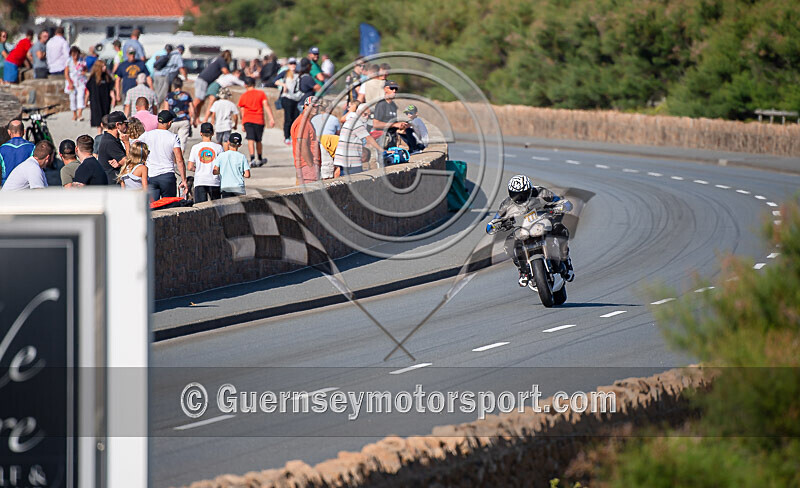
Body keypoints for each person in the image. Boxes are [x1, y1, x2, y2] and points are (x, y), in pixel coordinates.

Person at [486, 175, 575, 286]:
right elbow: (495, 220)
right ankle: (523, 271)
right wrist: (495, 225)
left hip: (543, 222)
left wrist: (561, 206)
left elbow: (561, 201)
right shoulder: (507, 203)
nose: (519, 198)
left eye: (523, 194)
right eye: (515, 195)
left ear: (529, 190)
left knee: (560, 229)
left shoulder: (541, 192)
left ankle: (566, 260)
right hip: (522, 230)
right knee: (509, 244)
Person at [138, 110, 188, 199]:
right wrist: (184, 180)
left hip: (151, 175)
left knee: (153, 208)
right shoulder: (173, 137)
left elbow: (135, 145)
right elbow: (179, 160)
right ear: (169, 123)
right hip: (167, 176)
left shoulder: (147, 135)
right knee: (169, 206)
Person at [333, 104, 382, 176]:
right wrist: (382, 150)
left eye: (369, 115)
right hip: (350, 160)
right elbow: (368, 138)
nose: (367, 117)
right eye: (365, 114)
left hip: (343, 159)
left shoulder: (351, 120)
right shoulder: (356, 122)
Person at [237, 76, 275, 166]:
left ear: (245, 85)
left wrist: (242, 123)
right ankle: (260, 158)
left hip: (247, 120)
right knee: (258, 140)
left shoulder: (243, 96)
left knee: (250, 139)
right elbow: (266, 105)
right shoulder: (261, 94)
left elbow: (242, 110)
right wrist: (271, 118)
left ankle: (252, 158)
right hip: (259, 120)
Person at [187, 123, 222, 202]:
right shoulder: (218, 147)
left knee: (201, 207)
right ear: (212, 133)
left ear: (201, 133)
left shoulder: (195, 147)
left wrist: (199, 168)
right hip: (214, 181)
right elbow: (222, 165)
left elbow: (190, 167)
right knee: (217, 207)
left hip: (200, 180)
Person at [193, 50, 232, 120]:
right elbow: (225, 71)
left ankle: (196, 118)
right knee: (198, 100)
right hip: (203, 81)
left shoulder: (218, 59)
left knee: (201, 102)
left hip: (203, 80)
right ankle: (190, 117)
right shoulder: (221, 60)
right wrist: (233, 78)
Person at [291, 97, 322, 184]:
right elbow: (302, 145)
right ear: (305, 106)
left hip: (306, 166)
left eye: (317, 107)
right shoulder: (303, 123)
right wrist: (311, 166)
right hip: (307, 167)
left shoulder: (305, 121)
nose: (315, 109)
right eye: (313, 106)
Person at [372, 80, 409, 149]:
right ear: (385, 89)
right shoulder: (381, 104)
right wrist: (394, 124)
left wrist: (401, 125)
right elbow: (376, 124)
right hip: (383, 140)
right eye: (391, 88)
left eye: (396, 89)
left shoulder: (393, 105)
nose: (394, 91)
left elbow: (392, 123)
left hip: (392, 138)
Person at [274, 58, 302, 144]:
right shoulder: (286, 73)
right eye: (291, 64)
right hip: (287, 98)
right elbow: (275, 80)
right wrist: (283, 85)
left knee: (295, 118)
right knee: (288, 118)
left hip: (296, 98)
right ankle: (287, 137)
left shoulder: (298, 74)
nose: (293, 65)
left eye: (294, 63)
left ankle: (293, 135)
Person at [213, 132, 250, 198]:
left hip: (226, 187)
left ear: (228, 142)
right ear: (240, 145)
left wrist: (223, 171)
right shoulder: (242, 157)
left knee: (228, 207)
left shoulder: (221, 155)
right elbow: (247, 174)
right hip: (238, 187)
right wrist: (239, 173)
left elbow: (215, 171)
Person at [96, 111, 129, 184]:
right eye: (125, 124)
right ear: (118, 125)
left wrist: (119, 163)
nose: (127, 127)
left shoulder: (111, 138)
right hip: (112, 184)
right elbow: (128, 161)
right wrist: (127, 143)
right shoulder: (110, 142)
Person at [162, 77, 194, 151]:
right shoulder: (186, 95)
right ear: (181, 85)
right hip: (184, 120)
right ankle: (180, 158)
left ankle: (173, 159)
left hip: (172, 121)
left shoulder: (169, 96)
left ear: (174, 85)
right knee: (182, 143)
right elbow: (192, 109)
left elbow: (166, 109)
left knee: (171, 142)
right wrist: (192, 119)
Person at [86, 60, 116, 134]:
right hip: (96, 101)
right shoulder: (93, 78)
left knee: (106, 117)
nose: (105, 67)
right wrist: (86, 100)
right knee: (98, 120)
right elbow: (88, 91)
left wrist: (114, 99)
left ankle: (105, 132)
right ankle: (99, 134)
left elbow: (111, 89)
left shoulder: (107, 77)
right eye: (103, 66)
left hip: (105, 101)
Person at [0, 120, 34, 184]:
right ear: (24, 131)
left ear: (9, 132)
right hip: (25, 185)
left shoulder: (2, 149)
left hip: (7, 185)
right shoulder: (32, 147)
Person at [64, 47, 88, 121]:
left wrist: (84, 72)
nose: (75, 56)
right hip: (72, 80)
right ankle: (74, 114)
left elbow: (85, 69)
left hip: (80, 81)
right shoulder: (68, 61)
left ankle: (80, 114)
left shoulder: (82, 61)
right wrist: (70, 82)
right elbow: (66, 73)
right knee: (72, 98)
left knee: (81, 97)